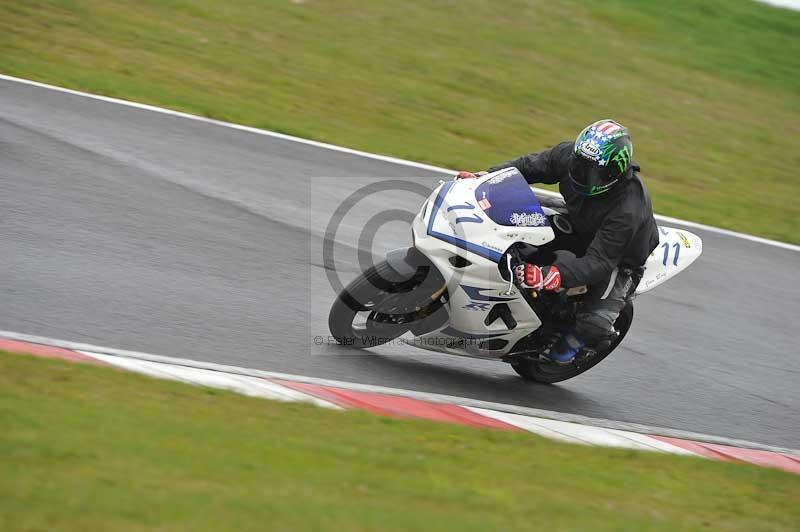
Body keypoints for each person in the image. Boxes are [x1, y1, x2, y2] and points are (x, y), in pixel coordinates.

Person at [457, 119, 659, 364]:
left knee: (594, 324)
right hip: (578, 220)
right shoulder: (569, 155)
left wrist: (550, 275)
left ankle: (575, 342)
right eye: (581, 165)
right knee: (508, 206)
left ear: (613, 173)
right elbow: (527, 167)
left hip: (618, 259)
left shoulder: (628, 209)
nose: (584, 175)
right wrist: (486, 176)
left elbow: (599, 261)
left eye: (593, 171)